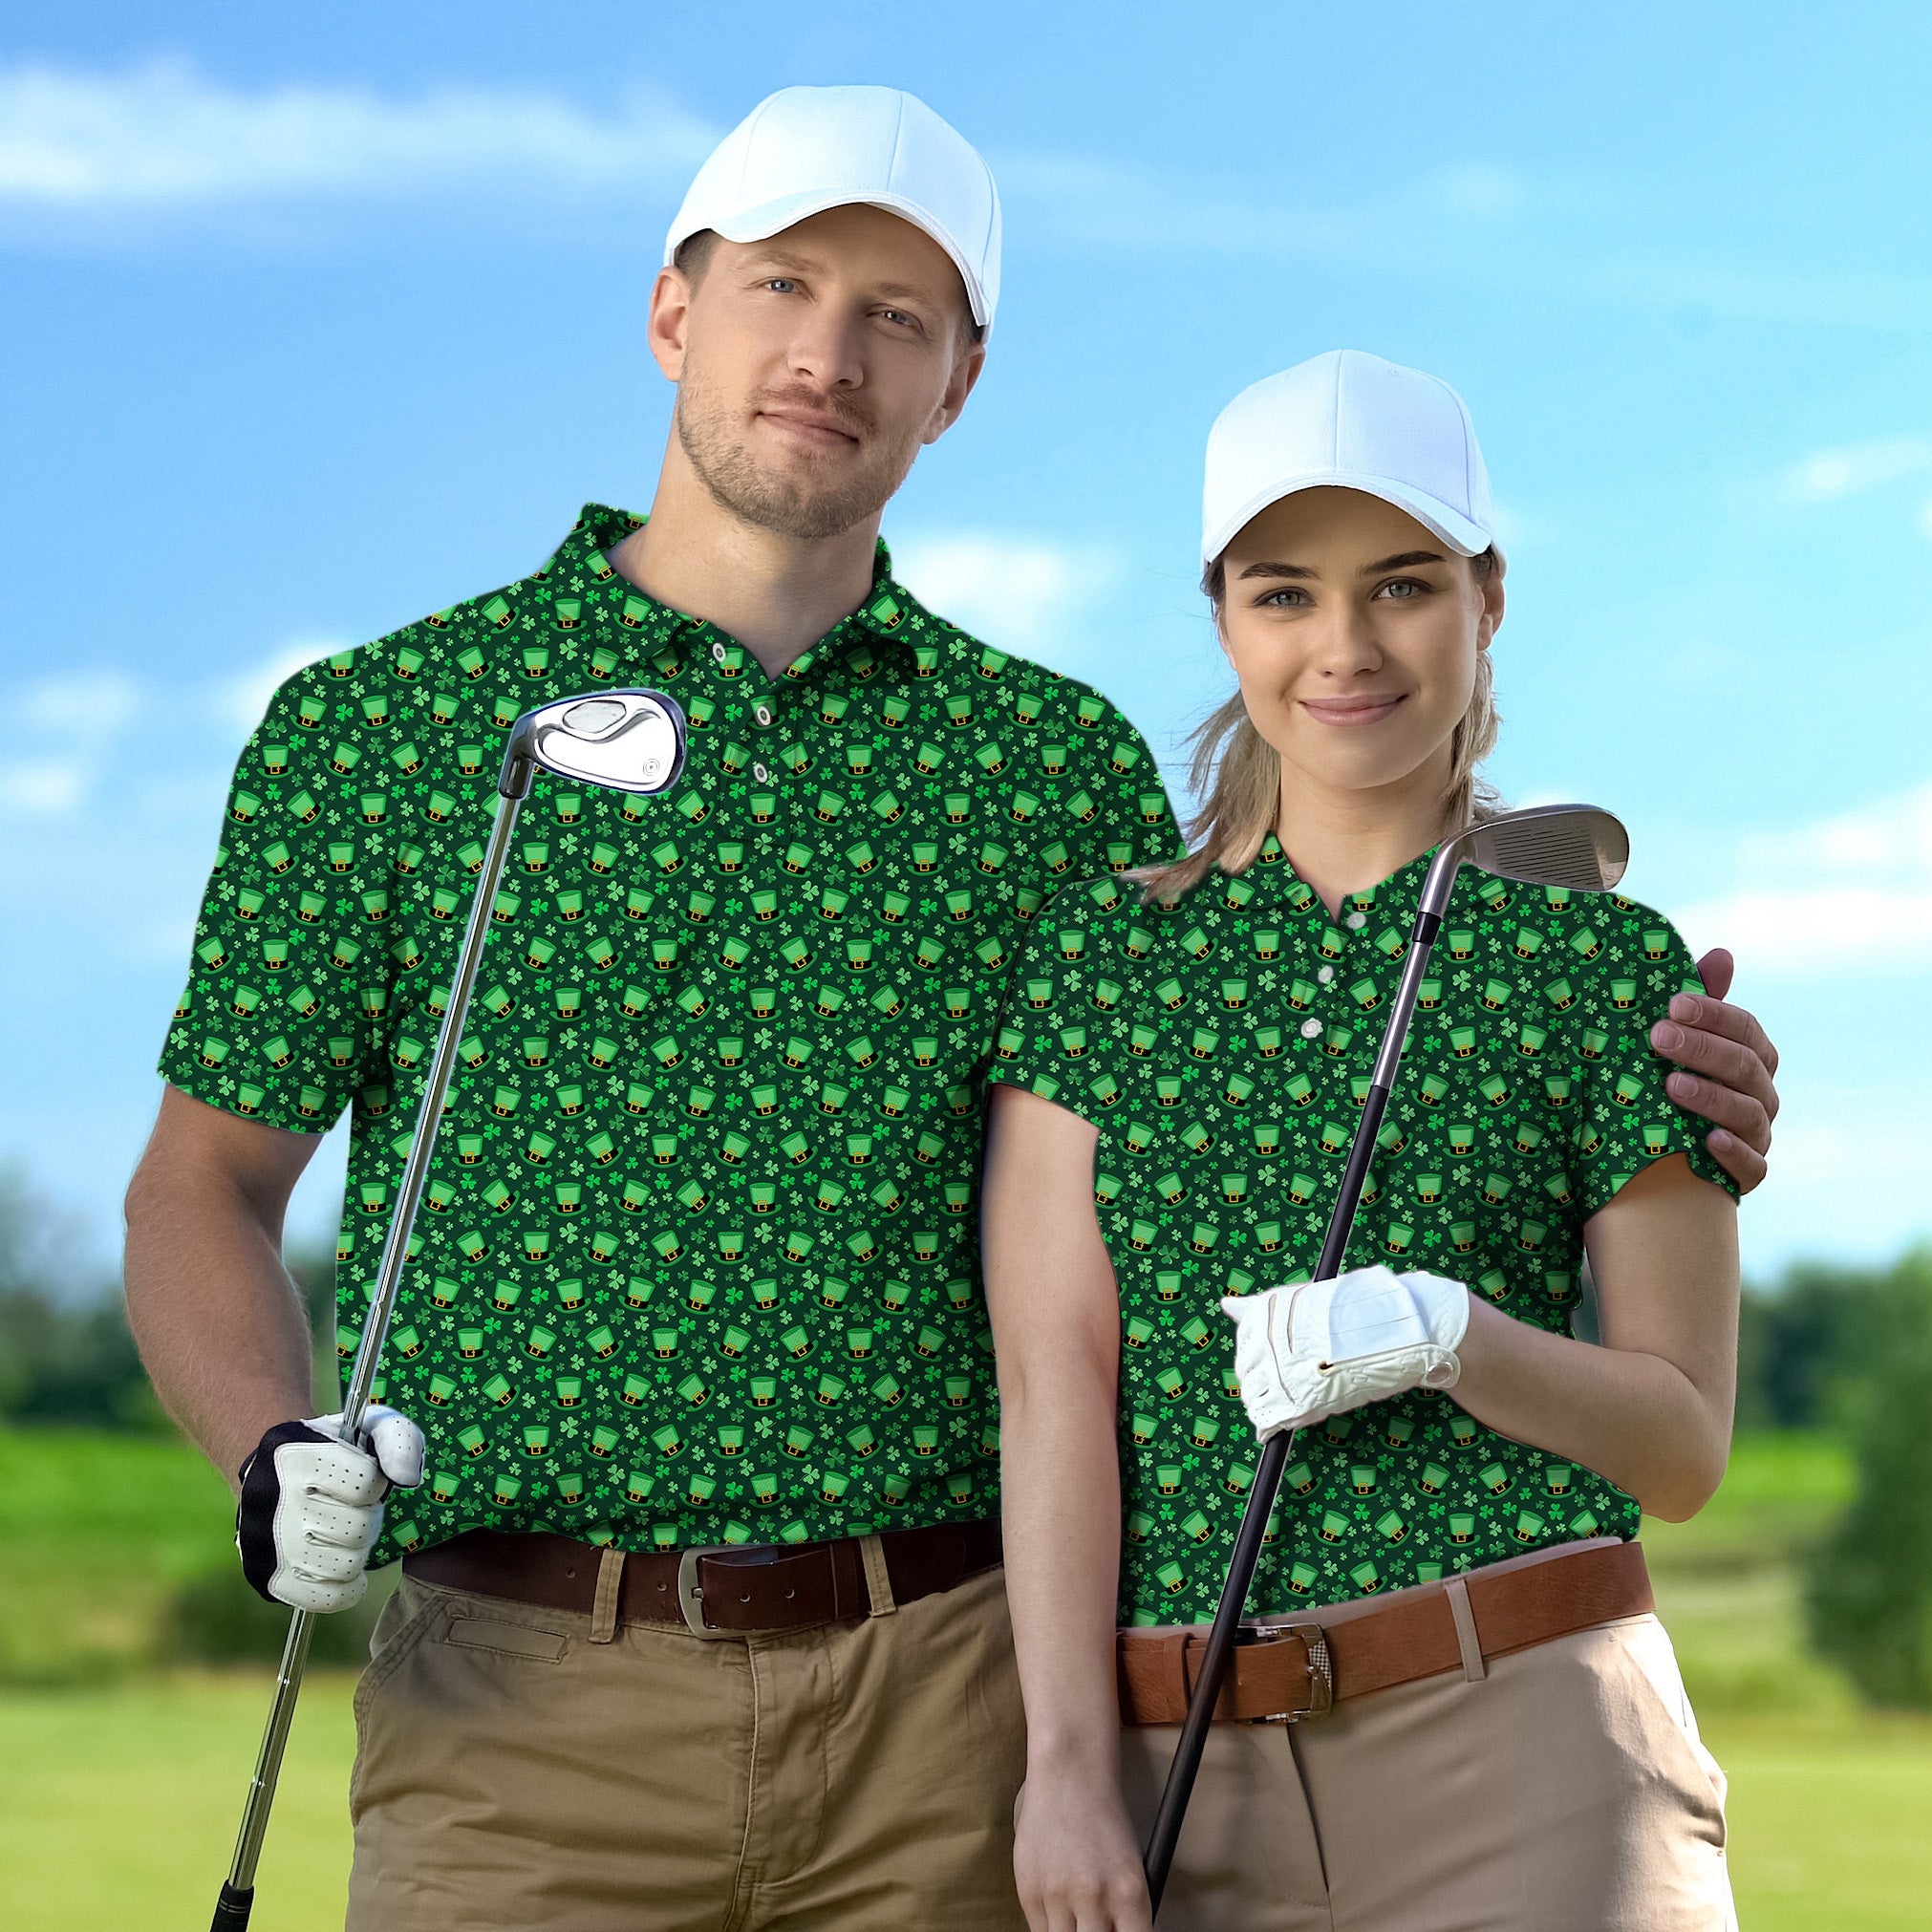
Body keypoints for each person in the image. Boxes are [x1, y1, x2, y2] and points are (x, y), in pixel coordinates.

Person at [120, 83, 1777, 1928]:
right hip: (515, 1712)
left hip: (948, 1708)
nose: (827, 355)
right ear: (674, 310)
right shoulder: (392, 732)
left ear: (959, 379)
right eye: (781, 287)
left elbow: (1264, 1040)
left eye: (894, 316)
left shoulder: (1048, 766)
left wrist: (1613, 1018)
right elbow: (202, 1187)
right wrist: (271, 1450)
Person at [983, 350, 1750, 1931]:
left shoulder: (1601, 965)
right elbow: (1055, 1384)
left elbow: (1677, 1449)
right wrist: (1062, 1762)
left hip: (1532, 1735)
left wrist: (1447, 1333)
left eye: (1400, 584)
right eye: (1283, 594)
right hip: (1183, 1770)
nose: (1343, 647)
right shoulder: (1095, 965)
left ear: (1484, 598)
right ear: (1220, 617)